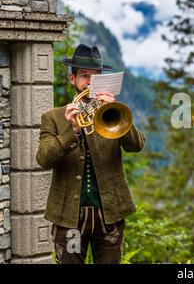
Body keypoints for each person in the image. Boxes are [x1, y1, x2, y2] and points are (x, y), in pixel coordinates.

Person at [36, 44, 146, 264]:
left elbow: (137, 145)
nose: (89, 82)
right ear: (72, 80)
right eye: (85, 76)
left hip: (109, 214)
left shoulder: (112, 112)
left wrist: (116, 111)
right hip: (69, 217)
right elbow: (43, 158)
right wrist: (72, 130)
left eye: (95, 77)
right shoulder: (54, 117)